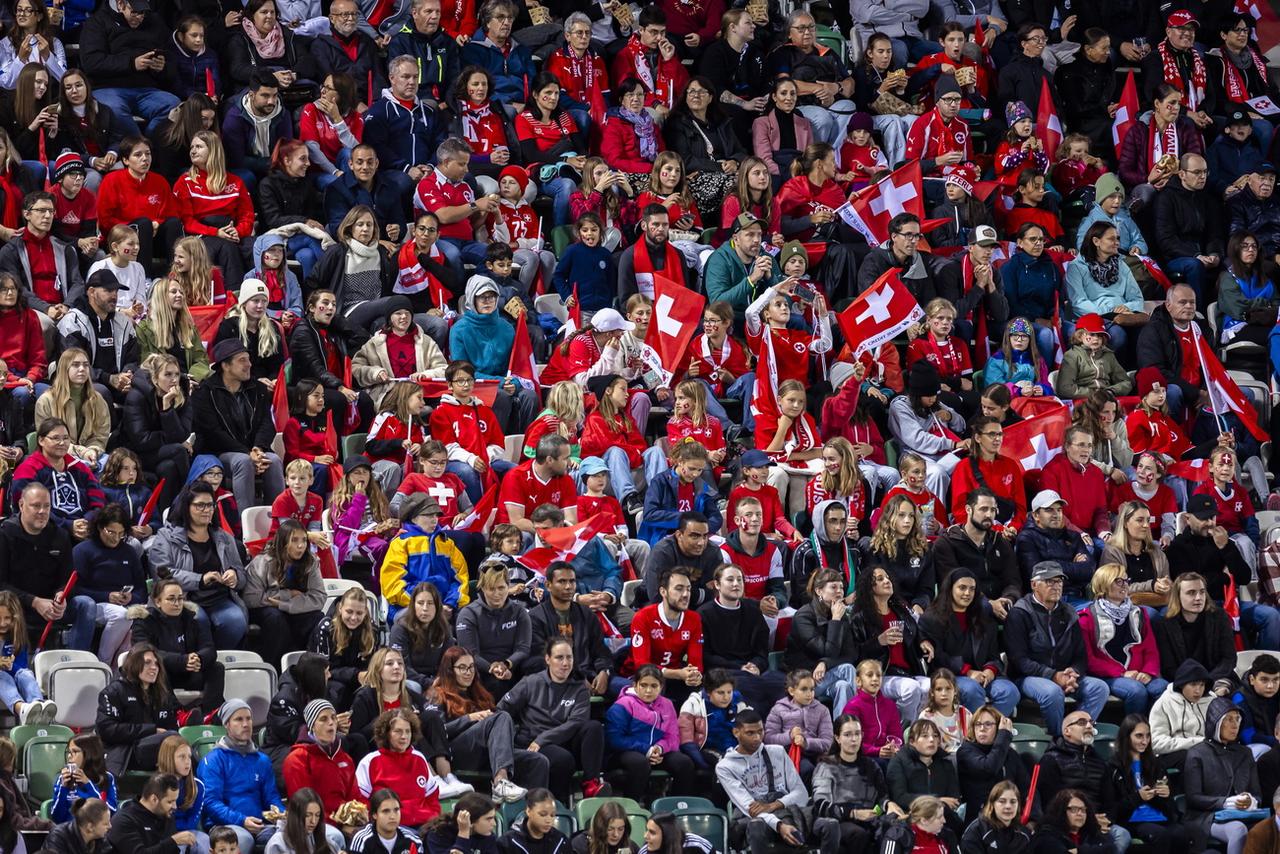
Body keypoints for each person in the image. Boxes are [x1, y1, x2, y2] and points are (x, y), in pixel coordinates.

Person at [498, 637, 611, 803]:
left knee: (594, 727)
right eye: (559, 658)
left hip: (560, 739)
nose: (565, 663)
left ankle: (591, 785)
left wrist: (544, 739)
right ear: (547, 659)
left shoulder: (579, 688)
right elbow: (502, 709)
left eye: (569, 657)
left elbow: (576, 722)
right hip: (532, 742)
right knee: (563, 759)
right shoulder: (531, 682)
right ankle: (557, 803)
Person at [1005, 563, 1110, 736]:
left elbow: (1080, 655)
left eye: (1059, 582)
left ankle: (1076, 733)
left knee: (1099, 688)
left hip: (1064, 675)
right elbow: (1019, 660)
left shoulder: (1069, 612)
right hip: (1028, 677)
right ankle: (1059, 739)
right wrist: (1053, 675)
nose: (1056, 586)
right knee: (1052, 693)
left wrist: (1073, 673)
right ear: (1034, 585)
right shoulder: (1020, 613)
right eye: (1049, 582)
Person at [715, 708, 839, 854]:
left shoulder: (777, 751)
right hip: (756, 820)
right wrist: (779, 826)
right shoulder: (725, 766)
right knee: (756, 826)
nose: (757, 737)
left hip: (791, 812)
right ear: (736, 732)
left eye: (760, 731)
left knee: (831, 824)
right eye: (750, 733)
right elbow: (749, 808)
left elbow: (802, 793)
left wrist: (773, 805)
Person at [1168, 495, 1280, 650]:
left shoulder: (1221, 539)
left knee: (1271, 616)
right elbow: (1191, 583)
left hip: (1230, 602)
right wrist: (1225, 577)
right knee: (1220, 617)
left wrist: (1226, 547)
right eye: (1203, 519)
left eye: (1212, 517)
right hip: (1200, 607)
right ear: (1188, 518)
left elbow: (1244, 577)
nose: (1210, 523)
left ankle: (1267, 665)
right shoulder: (1177, 547)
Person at [190, 338, 285, 512]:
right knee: (243, 462)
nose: (249, 364)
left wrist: (258, 448)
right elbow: (213, 434)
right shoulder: (205, 393)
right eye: (242, 360)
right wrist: (248, 453)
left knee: (274, 460)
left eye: (248, 359)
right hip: (219, 452)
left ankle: (278, 520)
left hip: (253, 450)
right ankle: (244, 524)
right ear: (225, 366)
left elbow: (266, 423)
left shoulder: (258, 389)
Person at [921, 569, 1019, 715]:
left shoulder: (983, 617)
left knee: (1009, 692)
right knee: (972, 690)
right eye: (962, 588)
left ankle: (991, 730)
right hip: (950, 675)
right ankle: (974, 734)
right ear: (950, 589)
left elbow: (994, 655)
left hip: (983, 675)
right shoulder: (932, 618)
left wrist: (990, 671)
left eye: (972, 589)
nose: (967, 593)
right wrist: (968, 672)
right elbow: (938, 657)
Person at [79, 0, 179, 135]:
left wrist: (161, 68)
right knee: (113, 109)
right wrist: (131, 64)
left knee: (174, 105)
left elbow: (172, 59)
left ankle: (148, 145)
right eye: (135, 12)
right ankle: (138, 146)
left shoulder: (155, 22)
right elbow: (92, 62)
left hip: (147, 90)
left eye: (143, 12)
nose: (140, 17)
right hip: (107, 88)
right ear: (120, 4)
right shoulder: (97, 22)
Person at [130, 577, 224, 719]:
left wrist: (198, 658)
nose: (177, 603)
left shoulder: (192, 619)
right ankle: (178, 714)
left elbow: (209, 649)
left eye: (180, 598)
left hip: (189, 672)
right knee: (155, 666)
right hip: (161, 676)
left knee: (217, 667)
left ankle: (209, 713)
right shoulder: (144, 621)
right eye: (171, 599)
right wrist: (182, 660)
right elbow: (143, 651)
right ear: (158, 601)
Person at [199, 700, 285, 854]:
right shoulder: (213, 760)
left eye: (248, 718)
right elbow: (211, 802)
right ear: (227, 724)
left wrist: (281, 815)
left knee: (289, 837)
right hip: (223, 827)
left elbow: (272, 797)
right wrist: (241, 820)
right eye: (239, 719)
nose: (246, 724)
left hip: (259, 825)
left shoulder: (261, 760)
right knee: (241, 840)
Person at [765, 11, 855, 148]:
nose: (807, 32)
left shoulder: (828, 52)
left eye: (811, 27)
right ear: (789, 33)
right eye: (801, 29)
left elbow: (850, 85)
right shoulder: (782, 53)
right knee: (822, 117)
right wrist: (820, 89)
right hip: (798, 106)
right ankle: (813, 158)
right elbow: (784, 85)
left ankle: (833, 157)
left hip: (829, 104)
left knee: (849, 107)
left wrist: (836, 88)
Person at [1185, 697, 1261, 854]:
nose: (1235, 725)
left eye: (1237, 719)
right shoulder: (1197, 753)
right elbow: (1193, 798)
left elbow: (1257, 794)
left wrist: (1250, 801)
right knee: (1238, 829)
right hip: (1206, 817)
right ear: (1216, 723)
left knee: (1271, 826)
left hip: (1245, 814)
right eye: (1228, 720)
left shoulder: (1245, 753)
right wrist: (1226, 802)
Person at [931, 488, 1021, 619]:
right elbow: (952, 585)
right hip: (965, 608)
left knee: (1022, 611)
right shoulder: (947, 543)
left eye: (993, 510)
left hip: (1001, 607)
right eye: (983, 509)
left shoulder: (1000, 542)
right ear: (968, 509)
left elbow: (1013, 580)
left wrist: (1008, 599)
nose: (989, 515)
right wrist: (989, 604)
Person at [10, 415, 103, 537]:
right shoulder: (27, 469)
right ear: (41, 440)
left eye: (65, 438)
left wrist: (88, 521)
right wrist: (68, 525)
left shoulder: (80, 468)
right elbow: (24, 508)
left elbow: (99, 501)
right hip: (45, 533)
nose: (62, 443)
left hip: (85, 530)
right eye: (55, 438)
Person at [95, 643, 179, 774]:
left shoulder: (161, 693)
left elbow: (171, 725)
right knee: (174, 741)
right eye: (147, 663)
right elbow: (107, 730)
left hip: (156, 749)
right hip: (126, 752)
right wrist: (151, 731)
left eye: (156, 664)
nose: (154, 668)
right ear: (134, 663)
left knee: (179, 745)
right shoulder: (114, 691)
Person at [1155, 572, 1239, 693]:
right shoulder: (1164, 624)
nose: (1198, 597)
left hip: (1216, 678)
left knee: (1224, 692)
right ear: (1178, 596)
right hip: (1183, 682)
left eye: (1202, 592)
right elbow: (1169, 667)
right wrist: (1193, 683)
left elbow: (1229, 658)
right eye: (1191, 593)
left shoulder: (1219, 616)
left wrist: (1207, 681)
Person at [1016, 489, 1097, 606]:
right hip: (1044, 602)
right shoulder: (1027, 538)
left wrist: (1051, 564)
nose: (1056, 515)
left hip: (1077, 597)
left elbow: (1090, 569)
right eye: (1049, 510)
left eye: (1059, 510)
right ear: (1035, 515)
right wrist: (1074, 565)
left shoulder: (1073, 536)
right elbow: (1036, 574)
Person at [42, 799, 111, 854]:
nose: (110, 826)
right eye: (106, 824)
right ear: (90, 827)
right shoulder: (58, 838)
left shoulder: (101, 840)